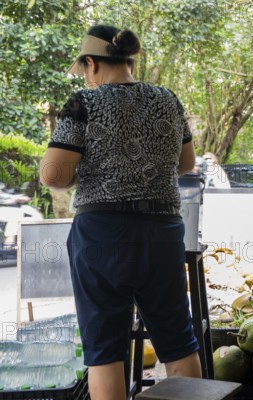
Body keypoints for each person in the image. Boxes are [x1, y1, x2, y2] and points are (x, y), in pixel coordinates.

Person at [39, 25, 201, 400]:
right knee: (178, 340)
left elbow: (53, 175)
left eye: (83, 70)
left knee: (105, 351)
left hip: (102, 235)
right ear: (128, 60)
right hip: (162, 231)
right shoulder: (167, 99)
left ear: (91, 63)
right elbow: (186, 162)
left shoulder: (83, 103)